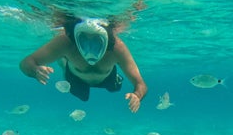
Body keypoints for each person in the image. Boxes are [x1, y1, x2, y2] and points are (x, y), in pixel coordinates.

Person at [20, 17, 148, 113]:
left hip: (108, 78)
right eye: (84, 41)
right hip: (76, 79)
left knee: (115, 88)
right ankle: (63, 63)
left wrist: (137, 95)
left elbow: (141, 84)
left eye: (96, 41)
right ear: (75, 38)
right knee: (83, 97)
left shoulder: (117, 48)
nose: (90, 50)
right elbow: (26, 63)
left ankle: (63, 62)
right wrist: (34, 70)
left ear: (106, 40)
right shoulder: (65, 42)